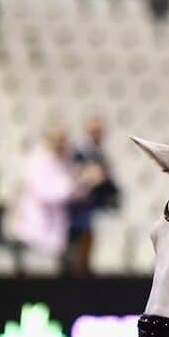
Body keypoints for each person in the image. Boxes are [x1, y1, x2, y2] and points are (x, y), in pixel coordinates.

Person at [3, 122, 105, 267]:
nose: (62, 144)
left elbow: (74, 192)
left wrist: (87, 183)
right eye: (58, 140)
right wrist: (82, 181)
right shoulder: (37, 161)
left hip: (54, 236)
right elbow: (48, 193)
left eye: (64, 140)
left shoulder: (63, 161)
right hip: (34, 235)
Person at [66, 115, 120, 275]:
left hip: (93, 209)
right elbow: (78, 178)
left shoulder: (100, 155)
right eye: (94, 132)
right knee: (77, 248)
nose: (98, 135)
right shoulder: (79, 153)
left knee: (88, 245)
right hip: (79, 210)